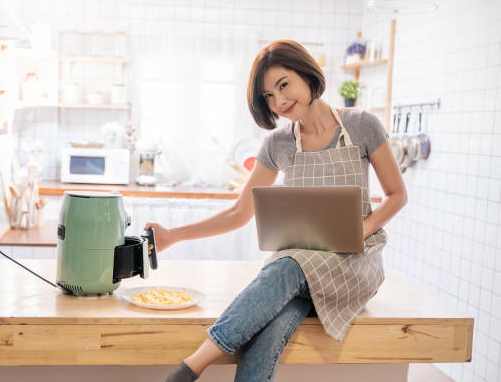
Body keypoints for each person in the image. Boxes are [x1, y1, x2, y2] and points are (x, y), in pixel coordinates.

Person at [145, 40, 407, 382]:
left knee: (286, 264)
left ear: (306, 73)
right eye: (269, 95)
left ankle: (190, 367)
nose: (279, 101)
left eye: (283, 85)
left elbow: (396, 195)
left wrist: (360, 230)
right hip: (300, 271)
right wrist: (173, 236)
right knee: (269, 327)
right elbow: (239, 212)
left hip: (352, 263)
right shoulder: (278, 144)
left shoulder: (362, 126)